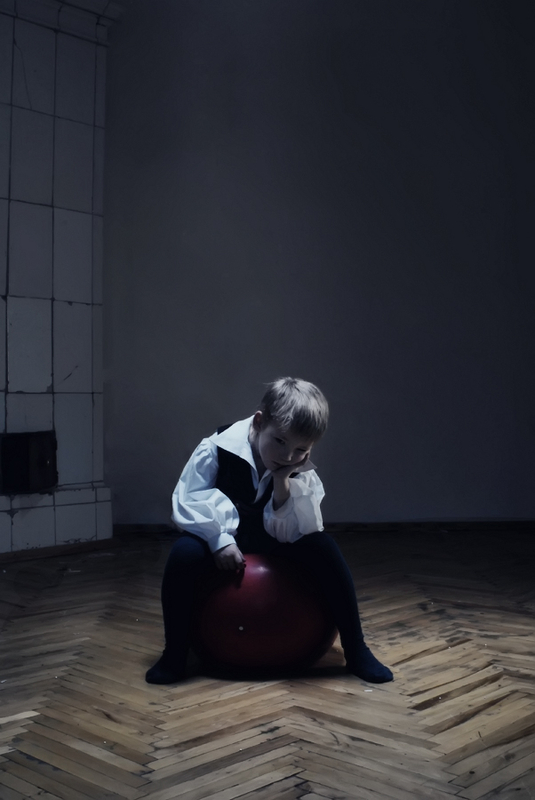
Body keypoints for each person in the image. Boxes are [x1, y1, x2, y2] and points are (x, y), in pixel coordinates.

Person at [146, 377, 393, 685]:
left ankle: (357, 650)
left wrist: (282, 481)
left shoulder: (298, 468)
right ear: (259, 422)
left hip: (273, 536)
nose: (287, 456)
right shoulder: (216, 447)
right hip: (224, 536)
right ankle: (174, 654)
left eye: (301, 449)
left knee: (324, 547)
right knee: (183, 553)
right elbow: (188, 500)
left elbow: (294, 529)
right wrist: (219, 539)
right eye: (280, 441)